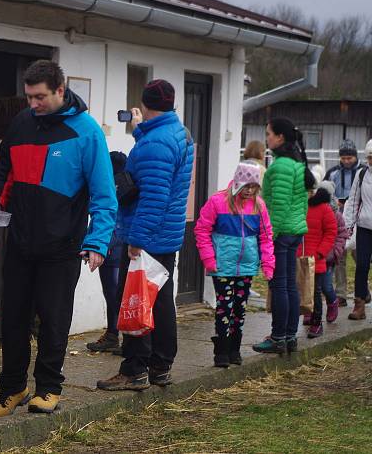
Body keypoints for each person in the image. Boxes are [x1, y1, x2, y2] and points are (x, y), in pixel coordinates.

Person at [0, 60, 117, 416]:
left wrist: (97, 241)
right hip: (20, 241)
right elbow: (5, 169)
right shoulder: (21, 123)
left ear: (60, 90)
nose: (33, 104)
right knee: (12, 318)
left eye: (40, 97)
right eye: (29, 97)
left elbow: (105, 194)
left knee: (53, 319)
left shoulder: (87, 132)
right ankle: (12, 388)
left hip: (62, 245)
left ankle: (49, 388)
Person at [97, 79, 194, 391]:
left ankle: (134, 367)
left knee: (137, 300)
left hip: (147, 235)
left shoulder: (155, 145)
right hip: (166, 232)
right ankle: (160, 365)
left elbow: (153, 196)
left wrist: (136, 240)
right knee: (161, 301)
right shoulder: (177, 133)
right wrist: (140, 129)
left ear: (146, 102)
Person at [194, 162, 274, 367]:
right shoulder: (217, 202)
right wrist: (209, 259)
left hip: (246, 266)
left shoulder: (259, 206)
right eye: (246, 186)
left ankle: (234, 349)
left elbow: (266, 236)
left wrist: (268, 264)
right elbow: (202, 230)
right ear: (237, 182)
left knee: (240, 308)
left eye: (253, 187)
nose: (249, 191)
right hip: (222, 265)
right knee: (224, 307)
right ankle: (221, 351)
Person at [252, 118, 315, 355]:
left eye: (268, 134)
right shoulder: (297, 163)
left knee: (279, 285)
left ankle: (278, 337)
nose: (266, 138)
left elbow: (277, 206)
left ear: (280, 137)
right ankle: (289, 336)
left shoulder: (280, 167)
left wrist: (268, 237)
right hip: (295, 231)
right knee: (289, 285)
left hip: (281, 233)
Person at [87, 151, 128, 354]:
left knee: (114, 294)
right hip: (115, 245)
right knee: (115, 294)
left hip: (112, 246)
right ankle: (116, 336)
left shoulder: (112, 186)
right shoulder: (124, 184)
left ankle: (118, 336)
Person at [302, 181, 343, 336]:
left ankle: (316, 323)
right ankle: (307, 314)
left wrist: (321, 252)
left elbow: (331, 232)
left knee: (316, 290)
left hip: (316, 257)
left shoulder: (324, 209)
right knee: (302, 289)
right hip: (299, 255)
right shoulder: (300, 206)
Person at [326, 140, 360, 306]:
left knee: (359, 256)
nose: (346, 161)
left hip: (358, 221)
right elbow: (325, 192)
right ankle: (341, 294)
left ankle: (362, 292)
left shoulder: (363, 172)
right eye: (344, 158)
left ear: (355, 156)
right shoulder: (333, 173)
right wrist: (335, 203)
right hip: (338, 221)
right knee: (339, 257)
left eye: (350, 158)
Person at [343, 139, 372, 320]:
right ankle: (359, 304)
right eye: (370, 157)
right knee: (361, 265)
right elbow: (353, 201)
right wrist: (348, 226)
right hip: (364, 228)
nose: (371, 161)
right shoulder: (361, 175)